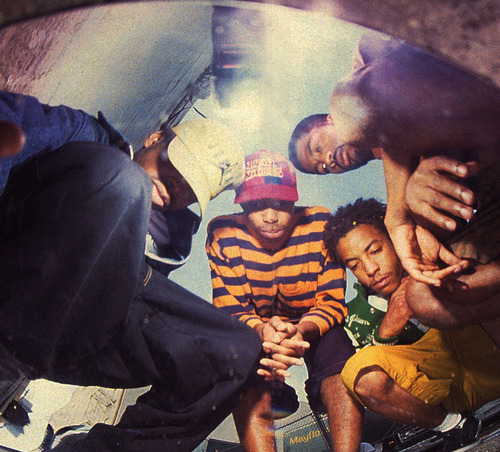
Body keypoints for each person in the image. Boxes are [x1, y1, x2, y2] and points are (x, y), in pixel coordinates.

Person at [0, 90, 262, 451]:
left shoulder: (166, 248)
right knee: (127, 183)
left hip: (72, 335)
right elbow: (10, 120)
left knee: (239, 352)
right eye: (176, 168)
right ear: (155, 139)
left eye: (189, 192)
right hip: (13, 263)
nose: (175, 189)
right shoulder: (85, 136)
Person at [206, 150, 364, 452]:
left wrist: (300, 331)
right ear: (241, 204)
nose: (270, 216)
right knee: (238, 358)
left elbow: (331, 302)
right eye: (257, 205)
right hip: (257, 331)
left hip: (311, 325)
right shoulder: (223, 234)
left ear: (295, 198)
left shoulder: (319, 224)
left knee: (338, 351)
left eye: (280, 203)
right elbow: (230, 310)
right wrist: (263, 331)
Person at [324, 197, 500, 450]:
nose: (370, 269)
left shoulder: (434, 252)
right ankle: (454, 425)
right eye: (354, 265)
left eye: (375, 251)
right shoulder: (353, 316)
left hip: (489, 352)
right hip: (449, 389)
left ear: (395, 238)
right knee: (356, 371)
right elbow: (370, 386)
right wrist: (386, 332)